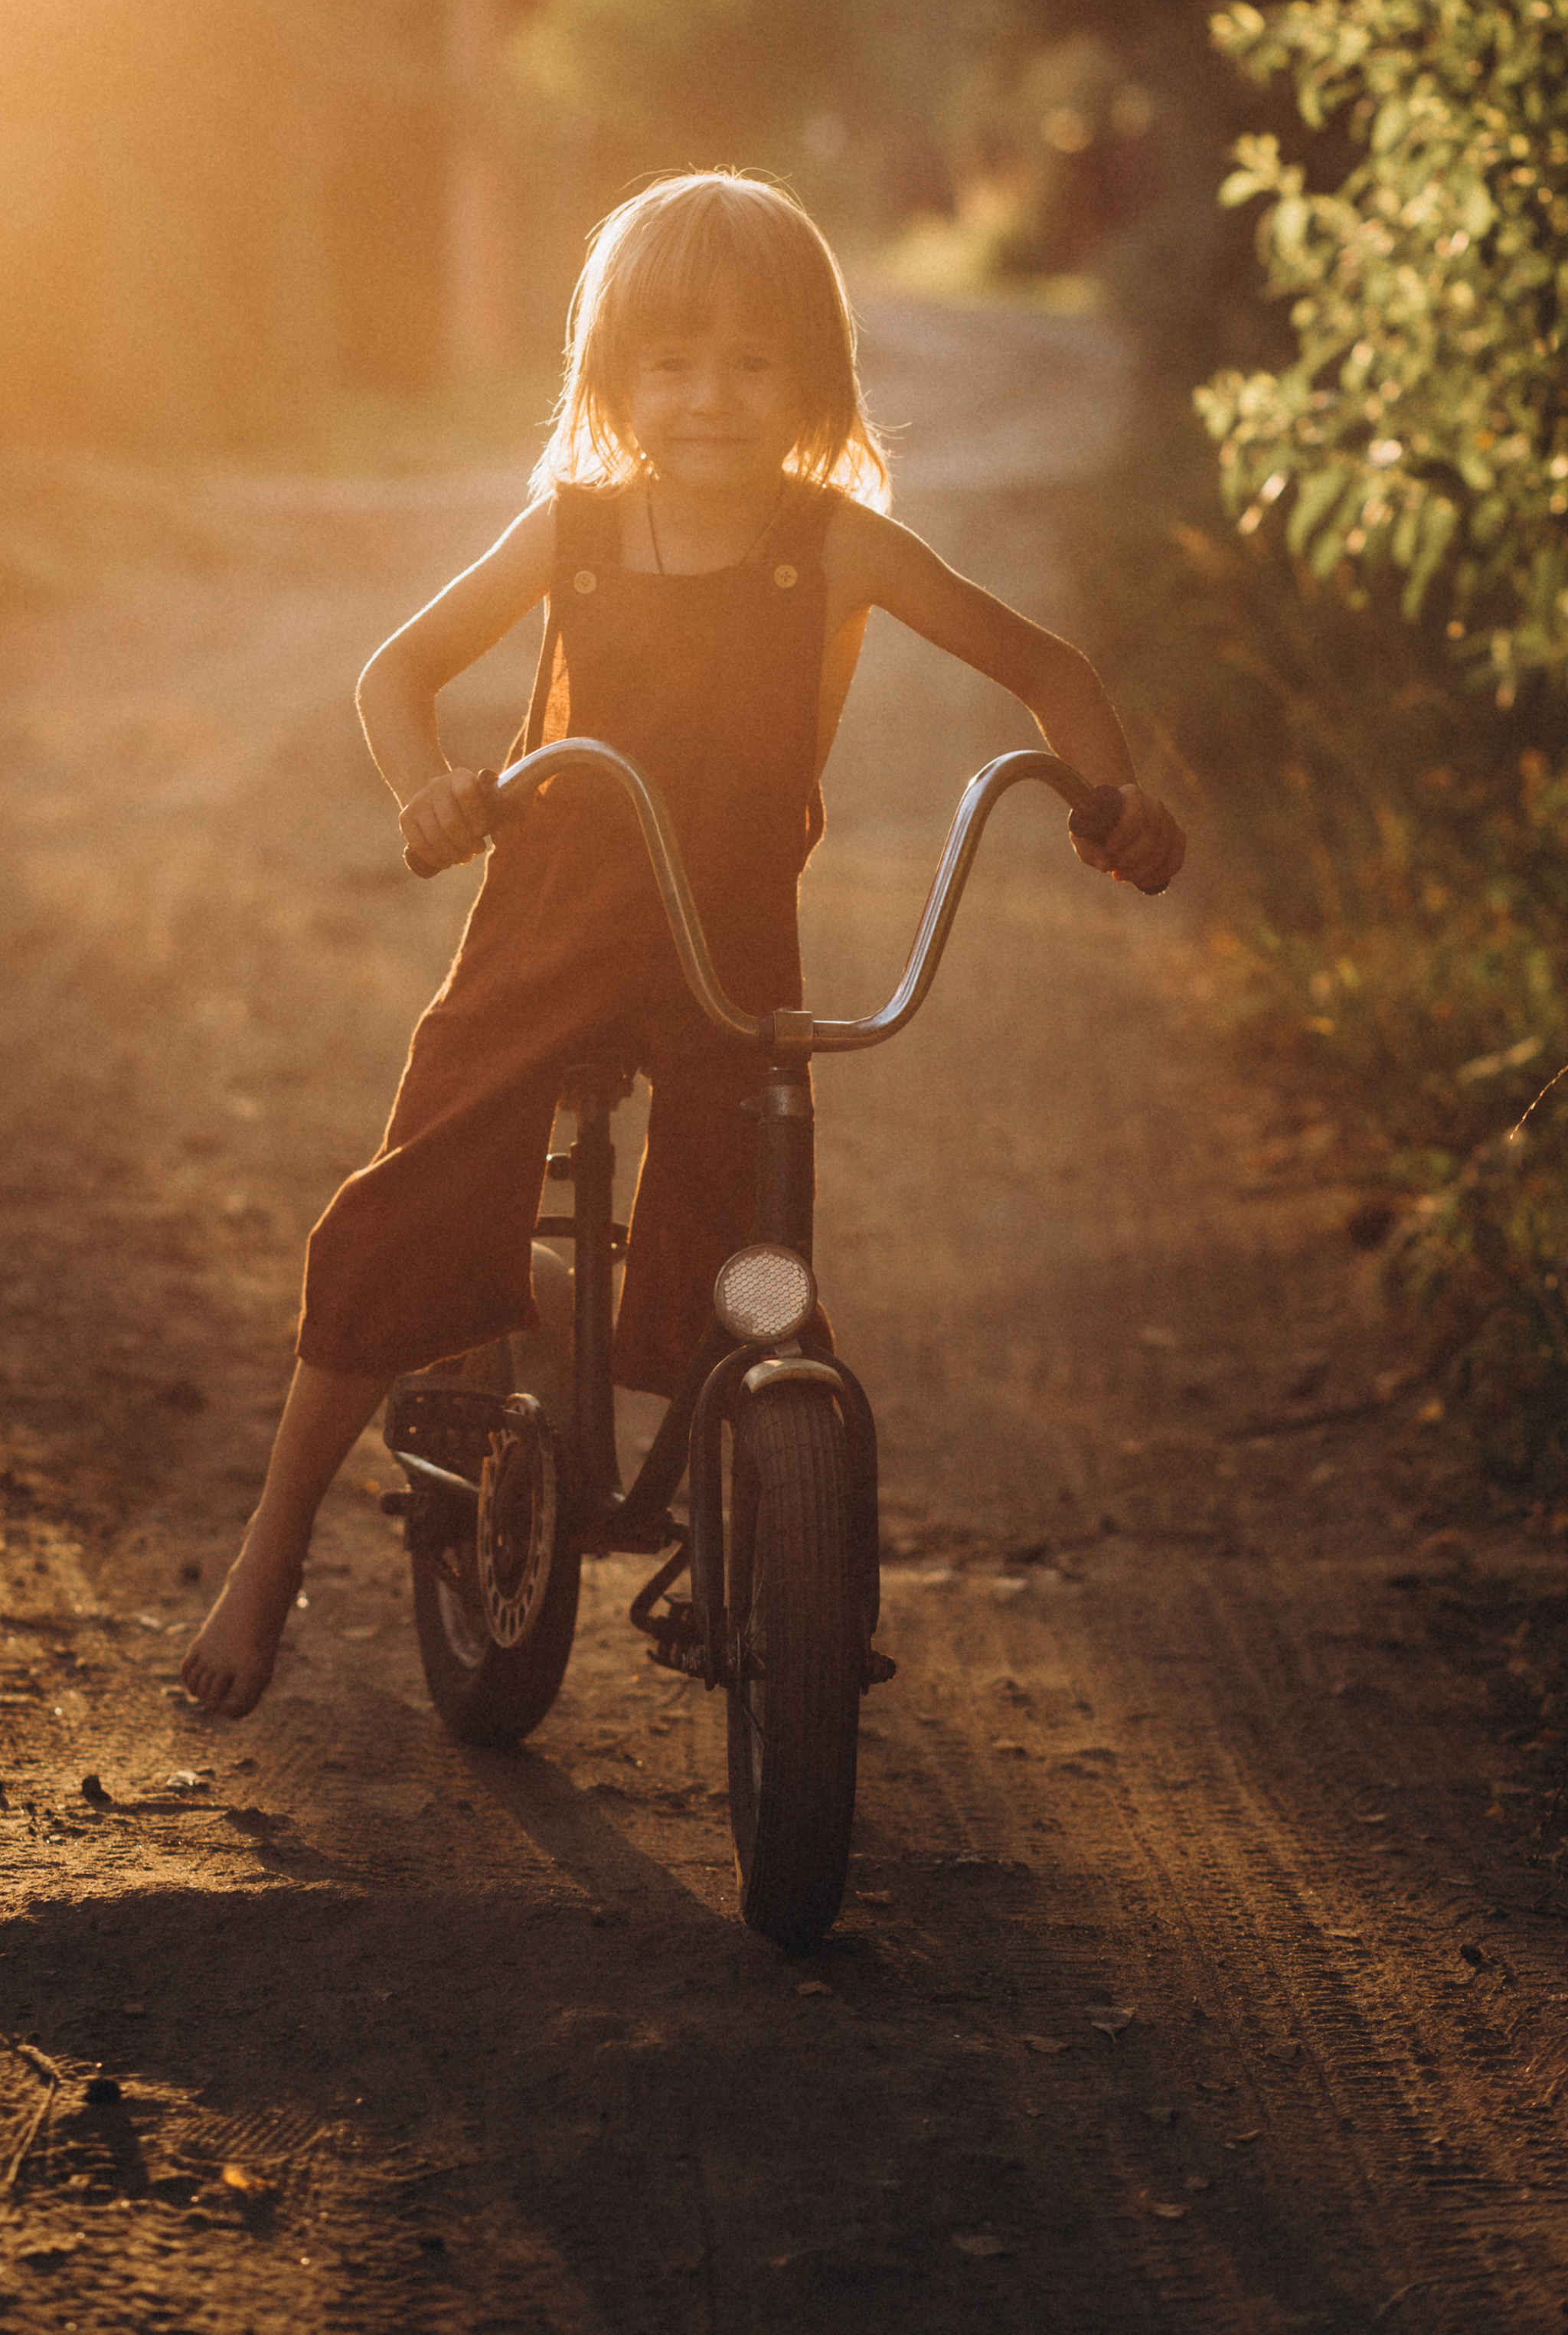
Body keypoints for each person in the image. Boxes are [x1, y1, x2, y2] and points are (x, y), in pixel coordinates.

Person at [182, 171, 1184, 1716]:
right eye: (668, 359)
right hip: (549, 926)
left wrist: (1110, 799)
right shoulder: (574, 533)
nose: (707, 395)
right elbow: (397, 673)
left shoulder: (832, 547)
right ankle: (266, 1556)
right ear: (606, 378)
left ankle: (776, 1550)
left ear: (813, 382)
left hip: (726, 954)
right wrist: (428, 793)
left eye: (748, 360)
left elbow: (1042, 667)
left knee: (744, 1266)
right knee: (404, 1213)